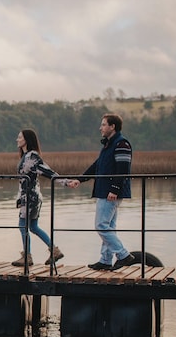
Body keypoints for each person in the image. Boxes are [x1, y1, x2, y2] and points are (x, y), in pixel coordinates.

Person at [76, 113, 135, 270]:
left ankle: (123, 255)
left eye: (103, 124)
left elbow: (123, 169)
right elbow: (97, 165)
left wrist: (115, 189)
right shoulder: (109, 145)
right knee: (109, 226)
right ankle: (106, 260)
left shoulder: (121, 144)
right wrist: (80, 179)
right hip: (105, 190)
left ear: (112, 126)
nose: (100, 128)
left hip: (111, 192)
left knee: (101, 225)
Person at [10, 129, 78, 267]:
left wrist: (66, 182)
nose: (17, 139)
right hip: (30, 196)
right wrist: (19, 198)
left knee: (22, 225)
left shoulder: (32, 156)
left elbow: (48, 172)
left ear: (26, 140)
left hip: (31, 198)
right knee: (33, 227)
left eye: (20, 137)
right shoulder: (26, 156)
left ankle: (27, 257)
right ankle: (54, 251)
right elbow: (23, 180)